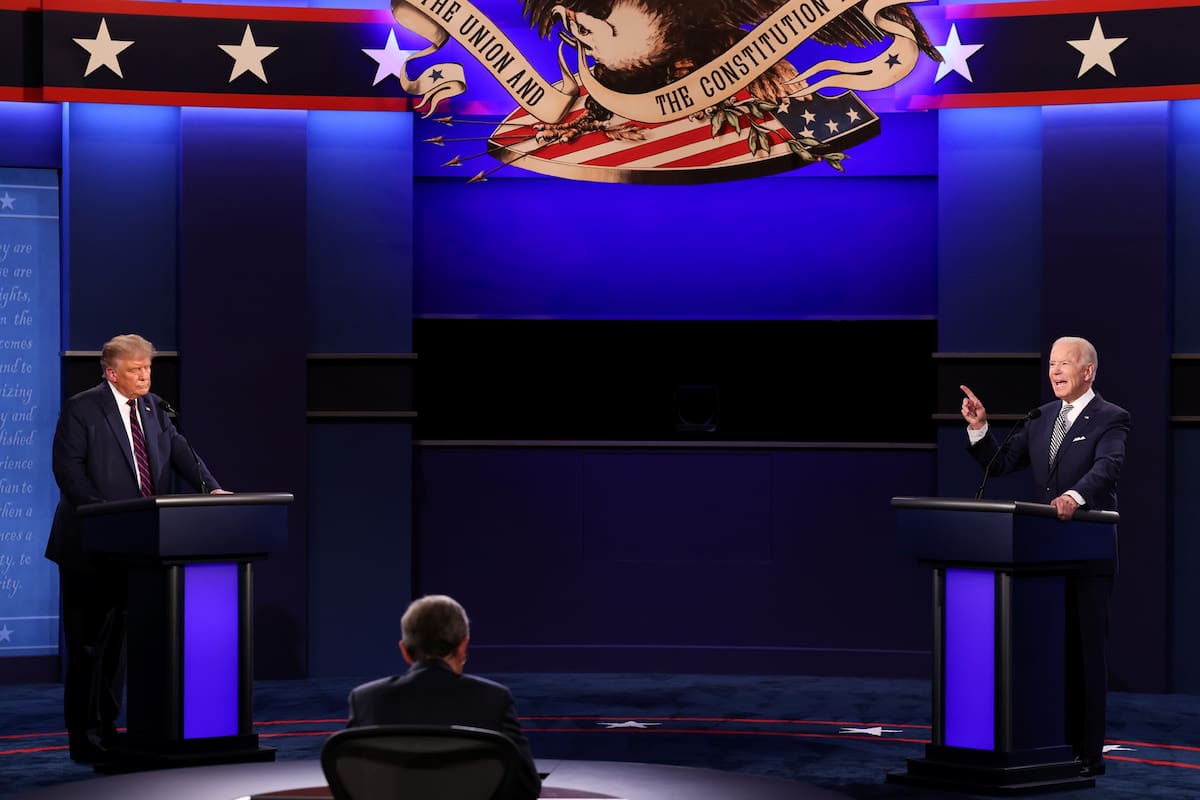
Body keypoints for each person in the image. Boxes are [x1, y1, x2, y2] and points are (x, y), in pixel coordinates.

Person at [46, 333, 226, 764]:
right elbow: (68, 471)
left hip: (139, 546)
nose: (145, 376)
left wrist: (213, 489)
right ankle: (84, 737)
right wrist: (104, 516)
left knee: (118, 648)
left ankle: (110, 728)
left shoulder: (155, 407)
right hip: (90, 546)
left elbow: (183, 453)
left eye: (147, 368)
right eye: (135, 370)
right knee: (89, 646)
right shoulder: (82, 408)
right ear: (112, 373)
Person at [960, 335, 1129, 779]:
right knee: (1050, 656)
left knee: (1086, 657)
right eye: (1051, 364)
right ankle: (1050, 742)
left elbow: (1108, 468)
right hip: (1041, 556)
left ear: (1088, 371)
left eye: (1064, 364)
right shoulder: (1040, 417)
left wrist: (1075, 496)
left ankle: (1088, 754)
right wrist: (980, 428)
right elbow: (999, 464)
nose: (1054, 371)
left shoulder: (1112, 418)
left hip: (1087, 553)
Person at [346, 594, 541, 800]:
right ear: (463, 646)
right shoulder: (494, 698)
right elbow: (526, 787)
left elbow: (353, 784)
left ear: (404, 650)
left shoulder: (365, 699)